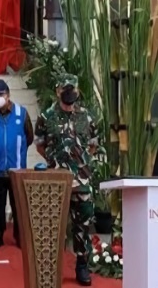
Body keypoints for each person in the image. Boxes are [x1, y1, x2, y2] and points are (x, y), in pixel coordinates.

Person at [35, 74, 98, 287]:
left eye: (73, 89)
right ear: (58, 91)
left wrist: (81, 163)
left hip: (81, 181)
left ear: (78, 91)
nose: (70, 92)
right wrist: (55, 163)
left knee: (83, 225)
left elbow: (93, 144)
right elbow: (40, 144)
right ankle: (52, 268)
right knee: (54, 226)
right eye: (66, 89)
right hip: (56, 181)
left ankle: (82, 266)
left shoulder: (86, 116)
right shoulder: (47, 116)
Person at [0, 79, 34, 248]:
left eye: (0, 94)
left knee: (18, 205)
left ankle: (19, 236)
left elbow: (29, 137)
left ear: (8, 95)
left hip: (17, 170)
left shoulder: (21, 113)